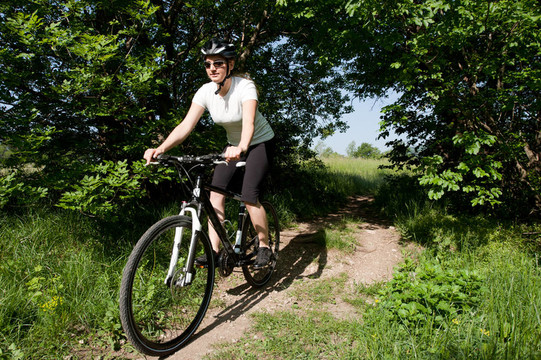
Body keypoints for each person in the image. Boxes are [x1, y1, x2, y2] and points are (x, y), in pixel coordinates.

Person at [143, 38, 275, 269]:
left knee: (248, 195)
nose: (212, 68)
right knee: (215, 196)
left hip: (258, 143)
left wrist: (242, 147)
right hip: (232, 146)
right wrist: (161, 148)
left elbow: (250, 123)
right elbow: (185, 126)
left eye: (218, 63)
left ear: (230, 65)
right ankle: (214, 251)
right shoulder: (205, 91)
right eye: (207, 64)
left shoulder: (245, 86)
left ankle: (264, 245)